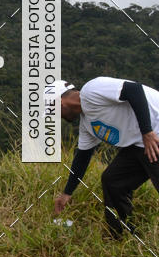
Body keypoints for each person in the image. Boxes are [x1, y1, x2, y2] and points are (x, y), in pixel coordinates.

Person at [52, 77, 159, 237]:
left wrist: (147, 132)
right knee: (113, 181)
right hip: (139, 143)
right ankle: (121, 235)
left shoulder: (91, 90)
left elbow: (134, 89)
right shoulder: (87, 124)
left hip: (153, 132)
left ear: (60, 103)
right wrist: (67, 193)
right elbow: (82, 157)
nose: (57, 117)